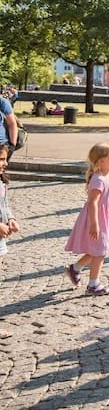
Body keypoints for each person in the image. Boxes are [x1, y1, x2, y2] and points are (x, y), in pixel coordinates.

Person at [64, 143, 109, 296]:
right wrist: (94, 224)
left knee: (97, 250)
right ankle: (93, 284)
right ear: (100, 161)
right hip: (96, 219)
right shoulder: (98, 179)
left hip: (105, 218)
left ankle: (75, 269)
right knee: (100, 251)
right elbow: (93, 202)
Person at [0, 144, 20, 339]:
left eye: (5, 159)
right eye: (1, 159)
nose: (5, 163)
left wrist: (10, 219)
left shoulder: (1, 181)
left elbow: (4, 204)